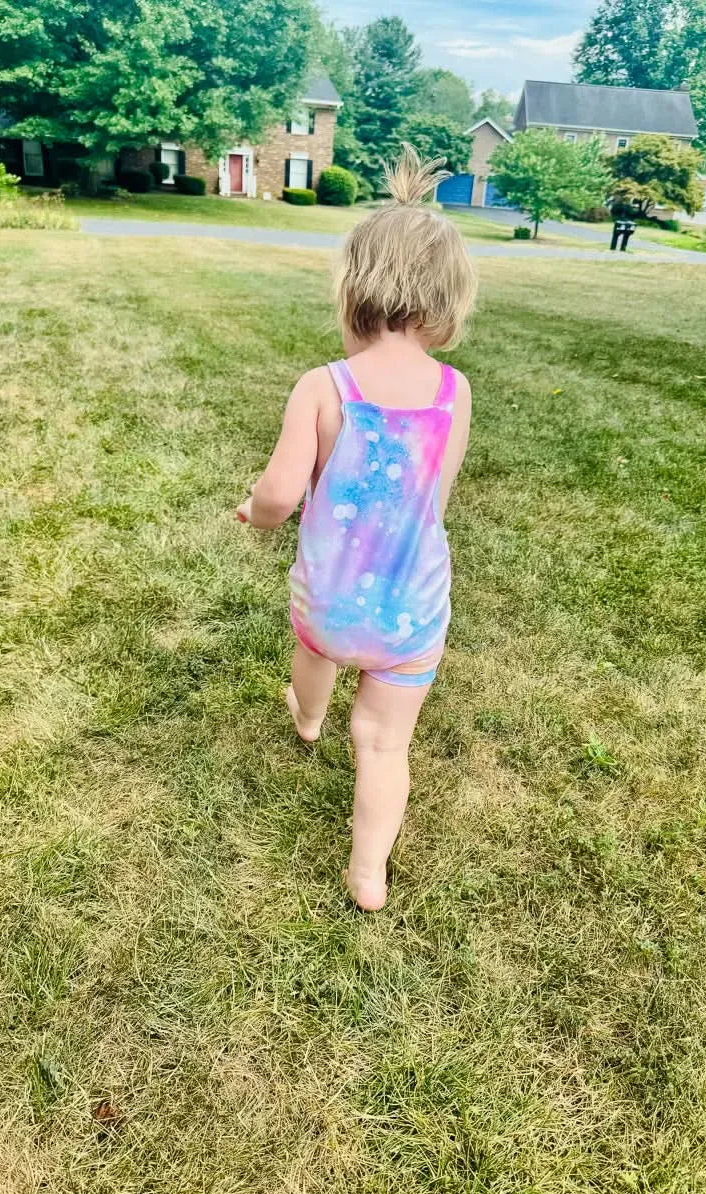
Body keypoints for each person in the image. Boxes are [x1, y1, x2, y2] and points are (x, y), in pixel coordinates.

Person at [236, 146, 477, 911]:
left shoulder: (324, 386)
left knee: (314, 655)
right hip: (412, 612)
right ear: (445, 303)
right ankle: (369, 872)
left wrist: (256, 513)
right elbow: (435, 498)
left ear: (352, 293)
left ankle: (307, 716)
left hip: (331, 604)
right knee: (383, 742)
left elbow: (278, 493)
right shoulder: (453, 393)